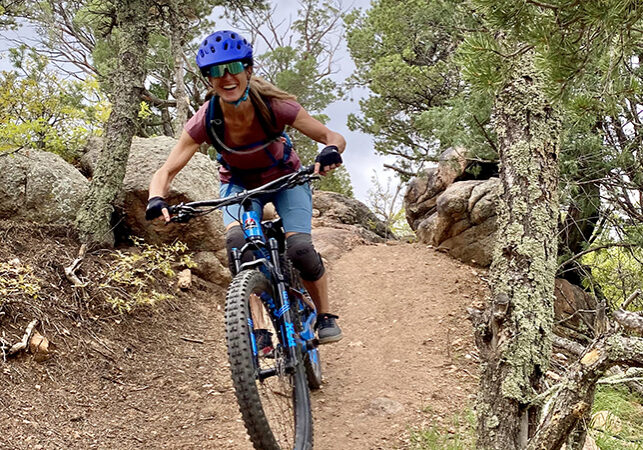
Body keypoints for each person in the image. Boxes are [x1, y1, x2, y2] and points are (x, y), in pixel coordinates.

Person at [145, 30, 345, 345]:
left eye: (233, 67)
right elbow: (166, 170)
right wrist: (156, 198)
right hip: (238, 185)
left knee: (301, 250)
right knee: (239, 244)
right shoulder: (205, 120)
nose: (226, 77)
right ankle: (260, 327)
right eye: (215, 71)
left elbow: (331, 136)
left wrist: (331, 150)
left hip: (285, 179)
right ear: (207, 79)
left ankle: (325, 315)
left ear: (248, 69)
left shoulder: (274, 106)